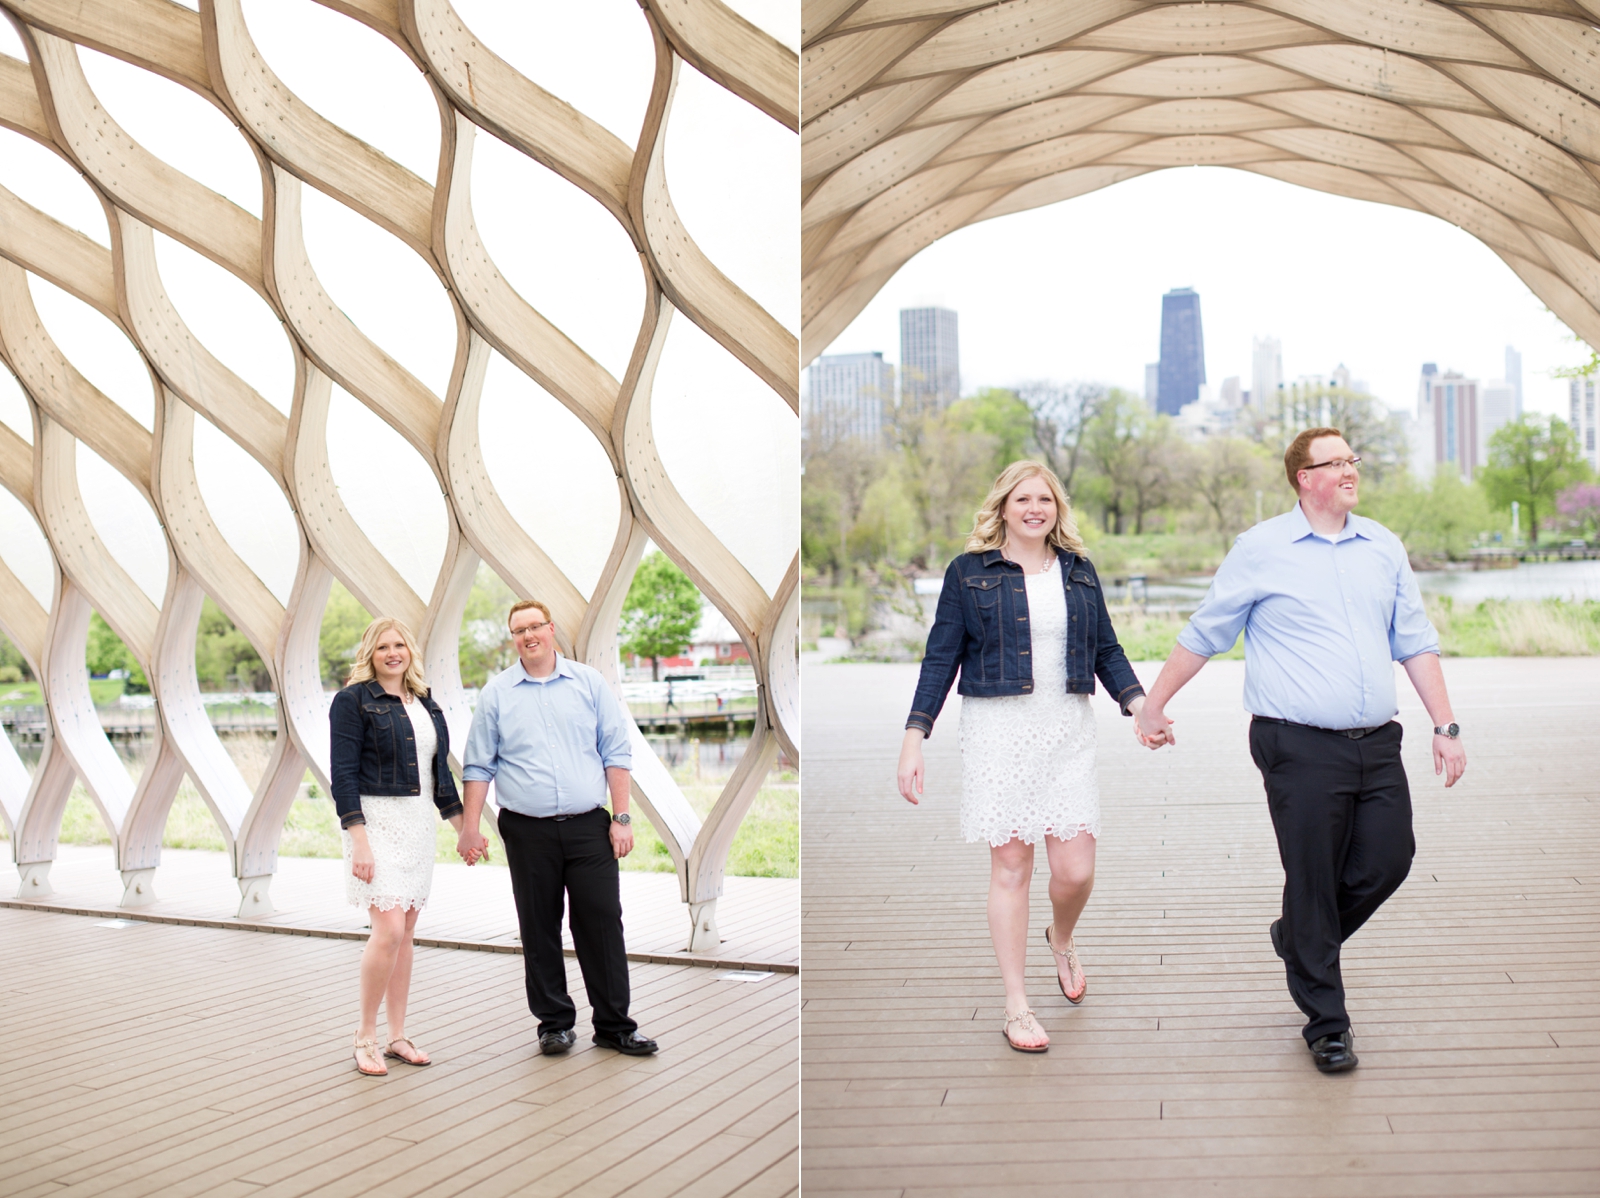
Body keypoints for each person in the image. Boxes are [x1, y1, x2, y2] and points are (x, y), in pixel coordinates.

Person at [1135, 427, 1466, 1074]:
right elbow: (1208, 631)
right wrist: (1154, 704)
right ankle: (1328, 1023)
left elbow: (1415, 639)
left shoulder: (1383, 546)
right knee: (1312, 877)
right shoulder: (1261, 549)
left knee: (1390, 858)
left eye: (1352, 460)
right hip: (1296, 744)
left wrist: (1445, 725)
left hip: (1378, 741)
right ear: (1303, 478)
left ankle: (1298, 939)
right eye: (1334, 462)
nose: (1350, 470)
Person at [896, 461, 1152, 1052]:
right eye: (1022, 499)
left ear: (1057, 508)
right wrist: (916, 736)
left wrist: (1140, 706)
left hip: (1066, 731)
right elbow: (941, 659)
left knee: (1075, 870)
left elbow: (1106, 650)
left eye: (1045, 499)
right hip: (998, 732)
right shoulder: (968, 573)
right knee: (1012, 867)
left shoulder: (1080, 572)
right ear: (1003, 507)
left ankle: (1060, 938)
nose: (1034, 508)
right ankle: (1017, 1004)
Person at [456, 599, 658, 1056]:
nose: (528, 636)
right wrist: (470, 828)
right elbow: (478, 765)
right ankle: (553, 1024)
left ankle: (614, 1026)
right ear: (513, 639)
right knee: (538, 926)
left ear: (551, 630)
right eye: (518, 630)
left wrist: (622, 818)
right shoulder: (497, 693)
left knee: (603, 922)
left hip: (590, 827)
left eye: (535, 627)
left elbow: (616, 751)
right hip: (527, 832)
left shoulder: (589, 683)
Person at [329, 617, 463, 1076]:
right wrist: (358, 841)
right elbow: (343, 776)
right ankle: (364, 1035)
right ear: (370, 653)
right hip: (375, 824)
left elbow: (439, 776)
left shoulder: (425, 702)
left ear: (410, 651)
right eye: (383, 646)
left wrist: (464, 828)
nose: (392, 653)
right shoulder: (352, 701)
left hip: (417, 825)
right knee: (386, 932)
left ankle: (397, 1035)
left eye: (399, 645)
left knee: (405, 935)